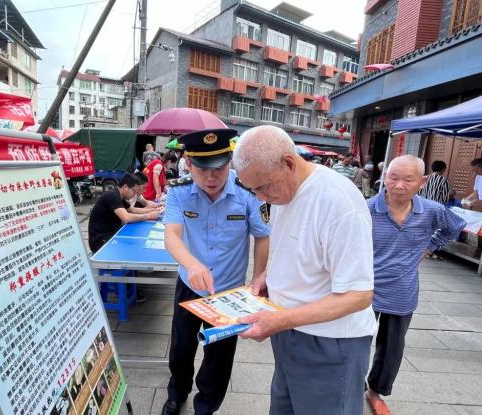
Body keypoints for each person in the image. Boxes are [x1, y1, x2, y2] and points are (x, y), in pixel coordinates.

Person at [232, 125, 376, 415]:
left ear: (288, 162)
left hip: (330, 342)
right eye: (252, 189)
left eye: (263, 187)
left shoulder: (339, 204)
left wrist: (280, 320)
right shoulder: (282, 192)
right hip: (288, 330)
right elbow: (291, 247)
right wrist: (266, 278)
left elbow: (359, 295)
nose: (260, 197)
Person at [162, 128, 270, 415]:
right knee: (181, 347)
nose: (212, 177)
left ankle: (206, 406)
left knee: (219, 357)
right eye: (202, 168)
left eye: (220, 168)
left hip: (229, 291)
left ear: (230, 162)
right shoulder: (180, 191)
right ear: (188, 162)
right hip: (190, 284)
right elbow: (171, 236)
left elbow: (263, 235)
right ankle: (177, 393)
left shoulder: (248, 192)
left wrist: (259, 275)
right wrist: (191, 263)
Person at [365, 155, 465, 415]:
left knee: (392, 347)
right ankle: (350, 385)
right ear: (384, 177)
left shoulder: (432, 210)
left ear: (422, 182)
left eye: (407, 179)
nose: (398, 185)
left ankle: (375, 391)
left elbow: (454, 228)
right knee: (355, 341)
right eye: (393, 177)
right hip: (363, 291)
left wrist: (429, 247)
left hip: (402, 291)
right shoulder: (366, 208)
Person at [88, 173, 160, 253]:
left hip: (111, 235)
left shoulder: (119, 196)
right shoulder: (112, 196)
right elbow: (126, 218)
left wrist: (156, 210)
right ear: (125, 187)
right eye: (134, 191)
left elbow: (132, 210)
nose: (134, 195)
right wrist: (148, 216)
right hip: (101, 241)